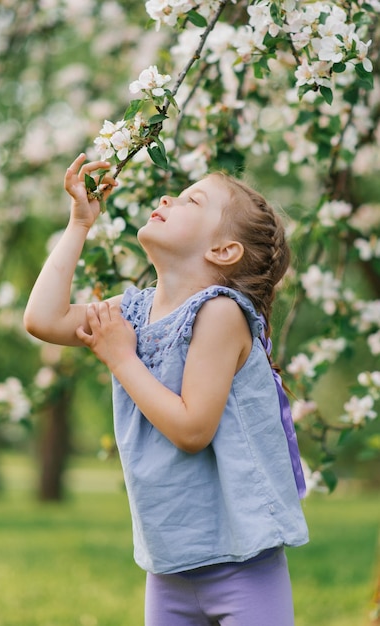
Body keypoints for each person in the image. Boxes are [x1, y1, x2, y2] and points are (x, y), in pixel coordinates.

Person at [24, 152, 309, 626]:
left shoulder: (220, 313)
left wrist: (120, 357)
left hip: (242, 565)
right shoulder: (132, 312)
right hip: (169, 567)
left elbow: (193, 428)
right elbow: (43, 319)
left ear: (222, 251)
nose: (167, 198)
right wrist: (79, 224)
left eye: (191, 200)